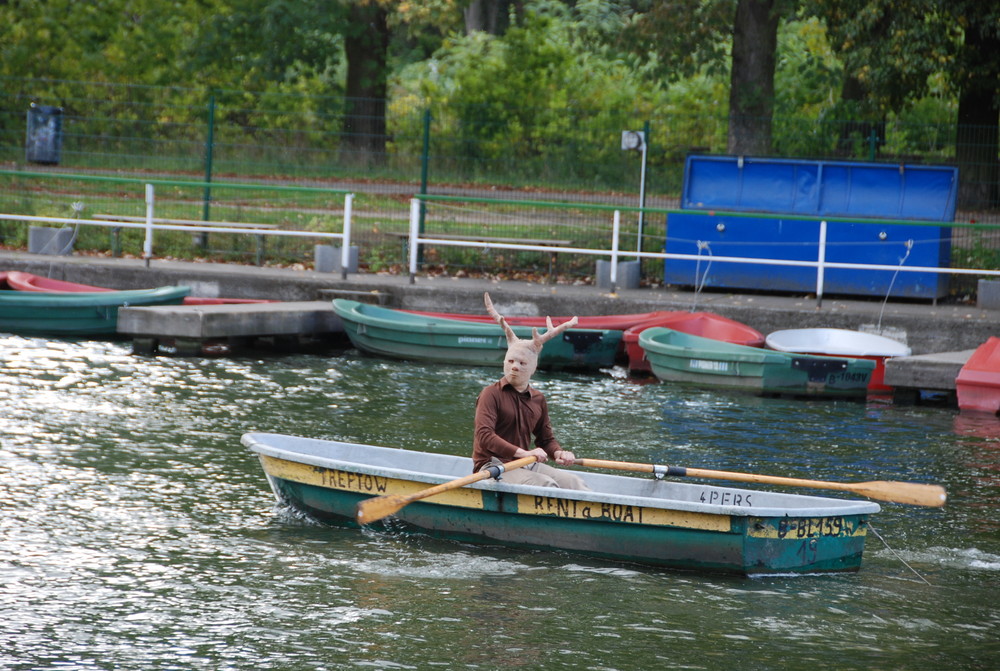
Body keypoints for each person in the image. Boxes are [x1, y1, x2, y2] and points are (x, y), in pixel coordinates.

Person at [471, 293, 590, 490]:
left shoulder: (538, 399)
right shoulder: (490, 394)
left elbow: (545, 439)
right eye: (510, 361)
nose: (514, 367)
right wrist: (523, 452)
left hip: (525, 463)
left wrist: (559, 453)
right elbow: (484, 436)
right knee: (546, 485)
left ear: (533, 368)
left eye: (521, 362)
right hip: (493, 466)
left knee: (575, 483)